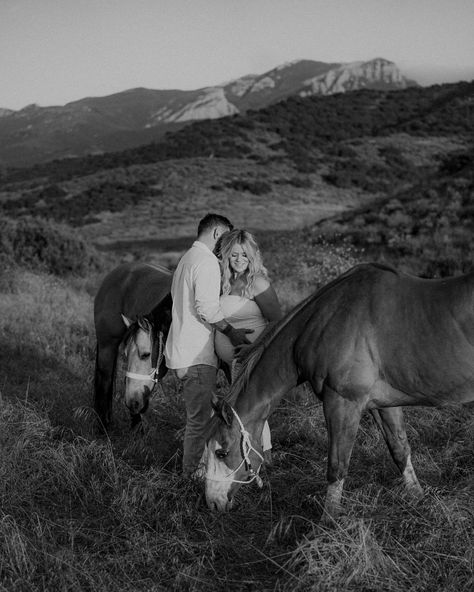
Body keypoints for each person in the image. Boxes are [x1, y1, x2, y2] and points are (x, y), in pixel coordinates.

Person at [164, 213, 253, 478]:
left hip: (182, 352)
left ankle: (196, 471)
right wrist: (232, 333)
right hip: (196, 357)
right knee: (199, 424)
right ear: (216, 233)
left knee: (198, 420)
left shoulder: (187, 259)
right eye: (224, 237)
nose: (225, 244)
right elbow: (206, 309)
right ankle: (190, 478)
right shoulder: (205, 262)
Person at [214, 229, 283, 463]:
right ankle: (257, 457)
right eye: (234, 255)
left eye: (245, 255)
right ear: (226, 256)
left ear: (252, 256)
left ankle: (265, 458)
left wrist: (255, 349)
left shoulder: (257, 282)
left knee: (249, 407)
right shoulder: (224, 282)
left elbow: (277, 321)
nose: (240, 260)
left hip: (256, 357)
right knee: (244, 408)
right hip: (232, 361)